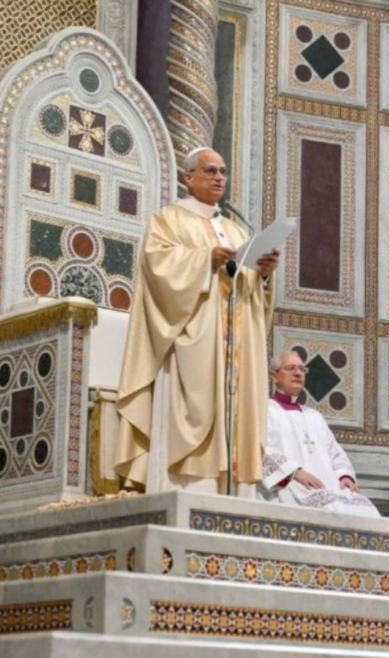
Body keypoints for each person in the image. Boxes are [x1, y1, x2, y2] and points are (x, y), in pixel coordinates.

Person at [115, 148, 280, 495]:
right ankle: (192, 488)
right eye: (209, 170)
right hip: (195, 337)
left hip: (236, 342)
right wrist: (205, 260)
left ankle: (232, 492)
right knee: (196, 404)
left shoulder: (236, 230)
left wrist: (263, 276)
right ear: (188, 178)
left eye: (222, 171)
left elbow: (249, 293)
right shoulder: (168, 220)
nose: (219, 177)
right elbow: (157, 268)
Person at [258, 351, 380, 517]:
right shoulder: (264, 410)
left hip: (326, 485)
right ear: (274, 376)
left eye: (302, 369)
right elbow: (259, 448)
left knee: (368, 512)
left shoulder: (315, 416)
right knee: (330, 511)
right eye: (290, 368)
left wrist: (345, 476)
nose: (298, 373)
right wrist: (294, 472)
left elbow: (334, 452)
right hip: (290, 482)